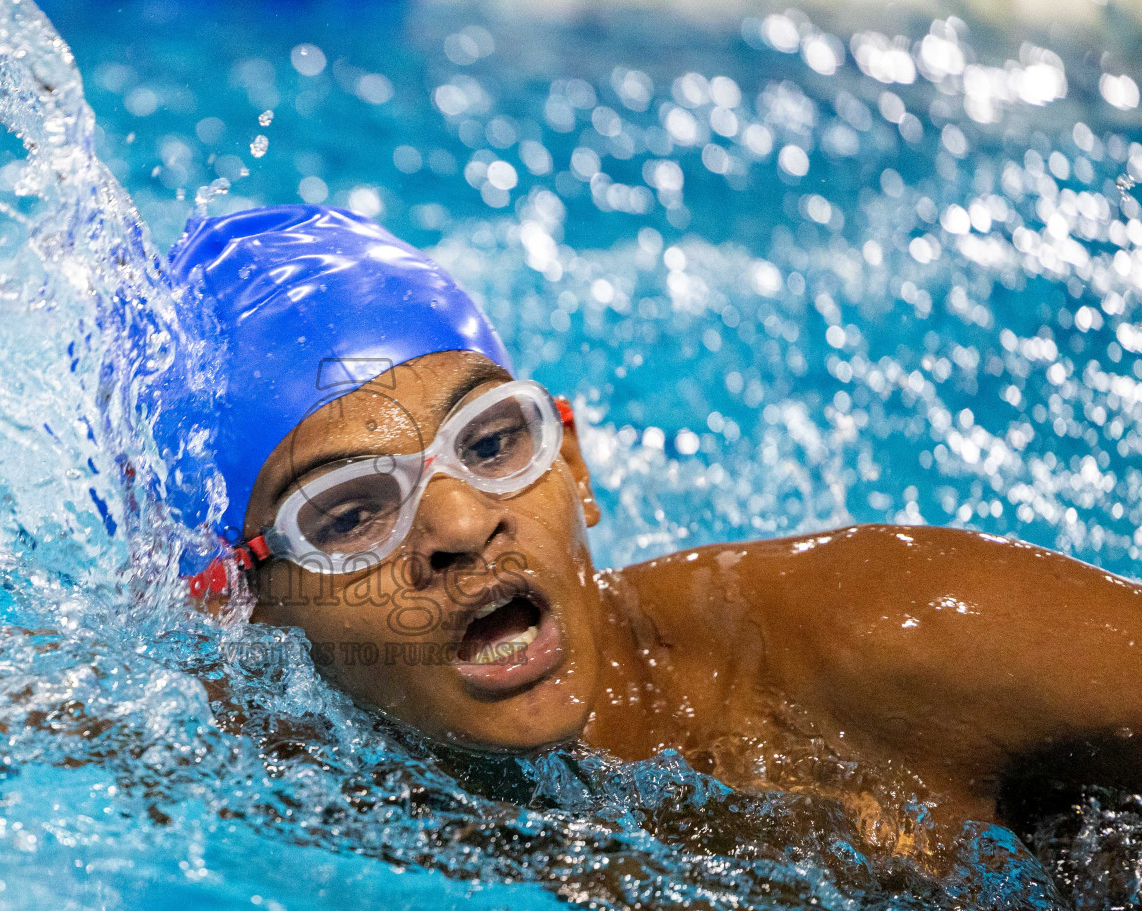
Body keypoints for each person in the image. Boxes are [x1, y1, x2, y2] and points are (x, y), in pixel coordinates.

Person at [158, 203, 1142, 844]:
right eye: (349, 510)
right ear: (243, 609)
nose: (462, 520)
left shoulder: (887, 637)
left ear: (574, 466)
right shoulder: (286, 775)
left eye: (495, 442)